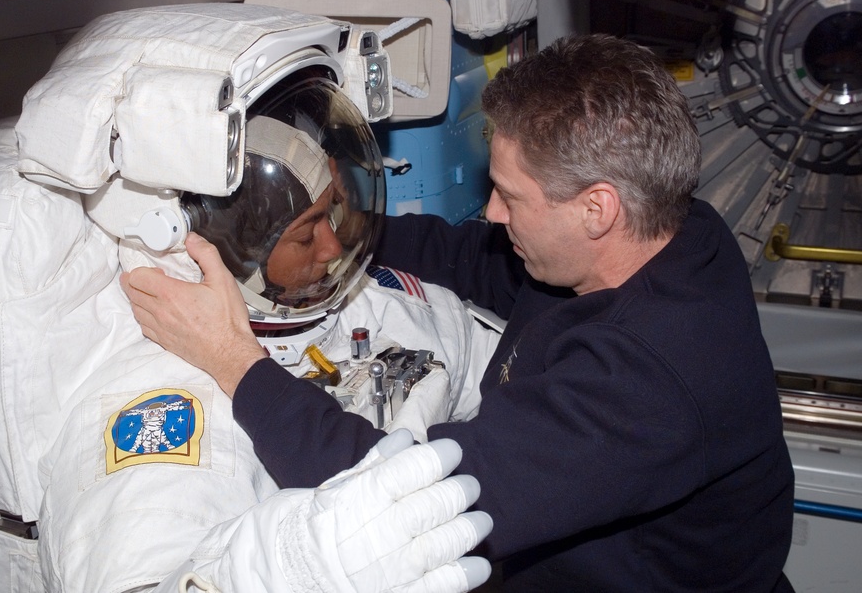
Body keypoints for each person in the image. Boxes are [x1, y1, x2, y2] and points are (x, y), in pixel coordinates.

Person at [123, 33, 797, 591]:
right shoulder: (676, 228)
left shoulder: (647, 383)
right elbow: (487, 260)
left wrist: (235, 362)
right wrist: (348, 236)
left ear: (597, 208)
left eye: (508, 195)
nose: (493, 211)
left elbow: (404, 507)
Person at [0, 3, 500, 593]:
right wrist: (289, 569)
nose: (334, 248)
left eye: (332, 213)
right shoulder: (161, 412)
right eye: (307, 232)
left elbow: (495, 366)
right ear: (216, 249)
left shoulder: (371, 303)